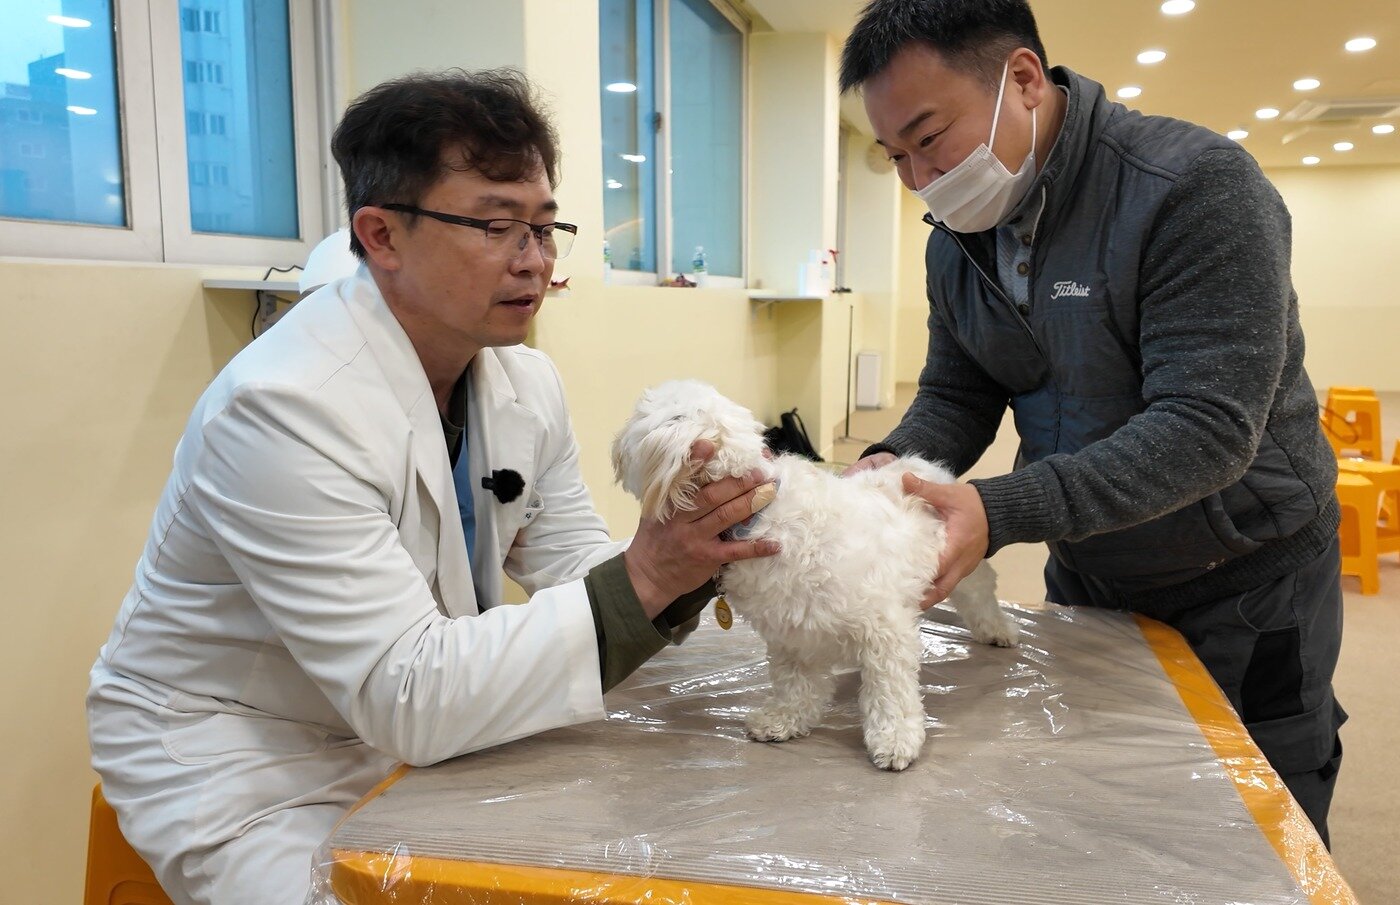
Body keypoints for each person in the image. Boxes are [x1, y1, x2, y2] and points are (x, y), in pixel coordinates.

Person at [87, 69, 777, 905]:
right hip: (244, 753)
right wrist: (651, 573)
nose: (536, 261)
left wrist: (709, 550)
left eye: (546, 228)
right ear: (380, 234)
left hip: (412, 719)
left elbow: (576, 566)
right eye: (498, 226)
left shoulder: (526, 385)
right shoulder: (281, 408)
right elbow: (404, 688)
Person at [839, 0, 1344, 843]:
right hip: (1094, 566)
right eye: (895, 157)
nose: (920, 179)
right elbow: (960, 391)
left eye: (929, 139)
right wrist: (892, 464)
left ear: (1023, 80)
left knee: (1249, 824)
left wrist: (1000, 512)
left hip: (1247, 580)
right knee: (1097, 801)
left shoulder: (1193, 188)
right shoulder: (955, 240)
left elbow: (1208, 426)